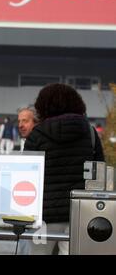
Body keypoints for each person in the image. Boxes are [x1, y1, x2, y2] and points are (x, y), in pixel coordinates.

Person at [23, 83, 105, 255]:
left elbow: (25, 178)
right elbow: (100, 174)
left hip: (43, 216)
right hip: (80, 214)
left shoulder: (36, 135)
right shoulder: (89, 133)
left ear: (43, 106)